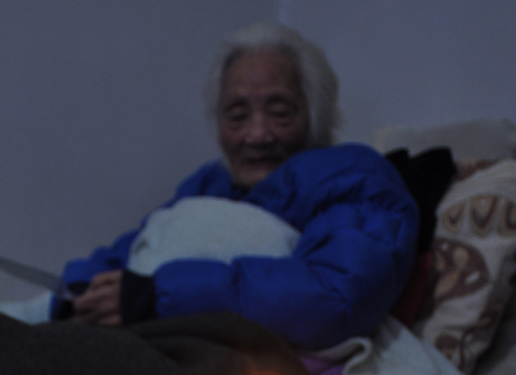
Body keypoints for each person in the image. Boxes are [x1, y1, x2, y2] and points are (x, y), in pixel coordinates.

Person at [56, 23, 418, 351]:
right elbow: (135, 247)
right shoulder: (210, 183)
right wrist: (79, 294)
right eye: (238, 116)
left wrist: (158, 297)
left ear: (315, 116)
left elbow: (334, 295)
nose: (257, 135)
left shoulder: (355, 178)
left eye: (279, 112)